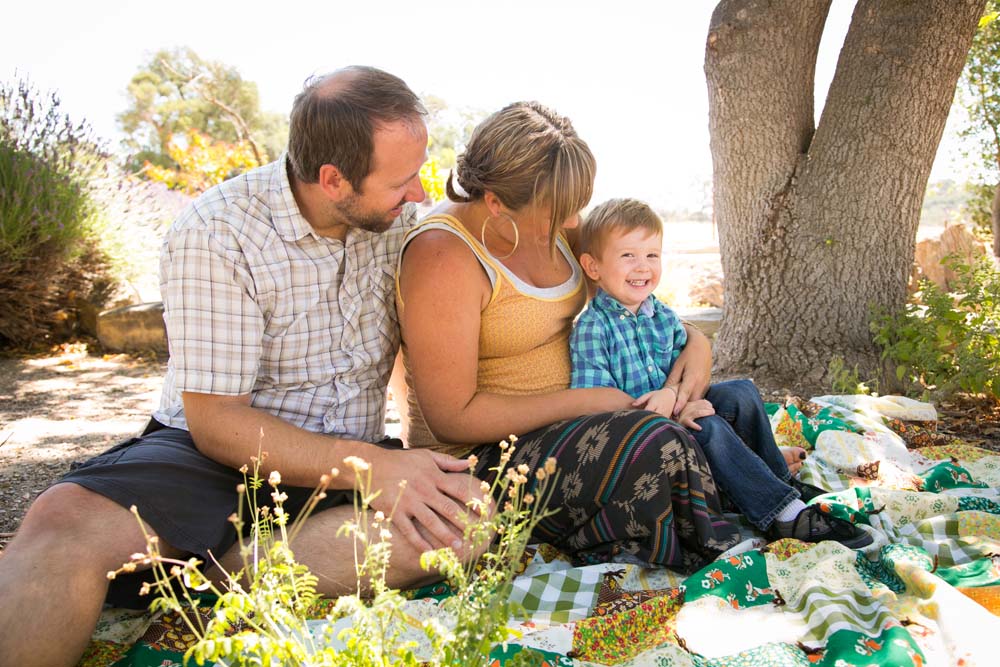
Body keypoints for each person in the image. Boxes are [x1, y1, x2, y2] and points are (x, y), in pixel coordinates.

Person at [0, 66, 482, 667]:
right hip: (213, 455)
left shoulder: (400, 227)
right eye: (402, 180)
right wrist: (373, 470)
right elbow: (217, 424)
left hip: (348, 454)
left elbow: (420, 353)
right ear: (334, 180)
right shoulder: (216, 232)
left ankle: (202, 569)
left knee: (469, 522)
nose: (418, 193)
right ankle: (198, 555)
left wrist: (406, 463)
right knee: (64, 522)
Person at [395, 101, 743, 570]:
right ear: (496, 203)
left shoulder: (553, 220)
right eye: (560, 211)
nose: (575, 223)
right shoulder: (443, 256)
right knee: (657, 440)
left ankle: (747, 494)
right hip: (487, 457)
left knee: (730, 403)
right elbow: (451, 419)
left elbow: (625, 286)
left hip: (584, 424)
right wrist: (585, 403)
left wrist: (695, 341)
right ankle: (712, 532)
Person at [568, 198, 873, 548]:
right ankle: (784, 516)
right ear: (593, 267)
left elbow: (684, 375)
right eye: (628, 256)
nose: (643, 267)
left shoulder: (662, 316)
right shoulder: (594, 328)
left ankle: (777, 484)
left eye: (652, 255)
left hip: (677, 411)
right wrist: (675, 416)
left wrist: (680, 399)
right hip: (644, 438)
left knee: (741, 392)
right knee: (708, 426)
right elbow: (597, 417)